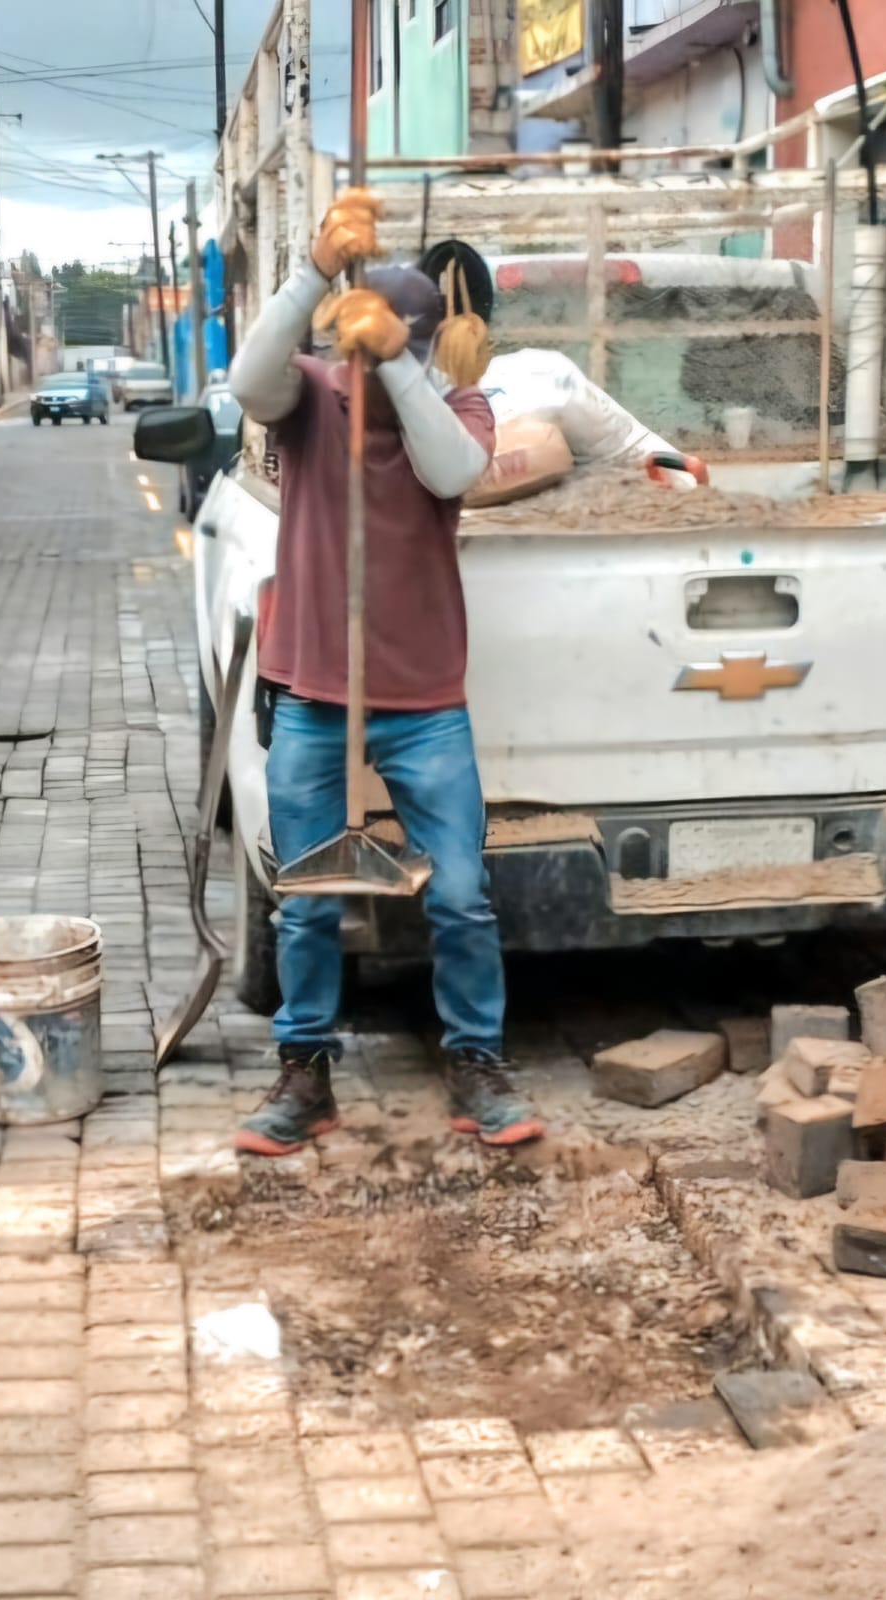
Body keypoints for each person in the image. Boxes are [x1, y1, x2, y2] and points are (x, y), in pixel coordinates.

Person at [226, 189, 545, 1158]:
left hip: (422, 702)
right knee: (308, 892)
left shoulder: (458, 409)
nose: (355, 359)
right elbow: (247, 380)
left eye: (384, 339)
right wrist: (313, 273)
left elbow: (451, 474)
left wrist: (397, 366)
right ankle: (304, 1071)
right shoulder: (307, 400)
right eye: (352, 342)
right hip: (316, 694)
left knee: (456, 891)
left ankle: (475, 1061)